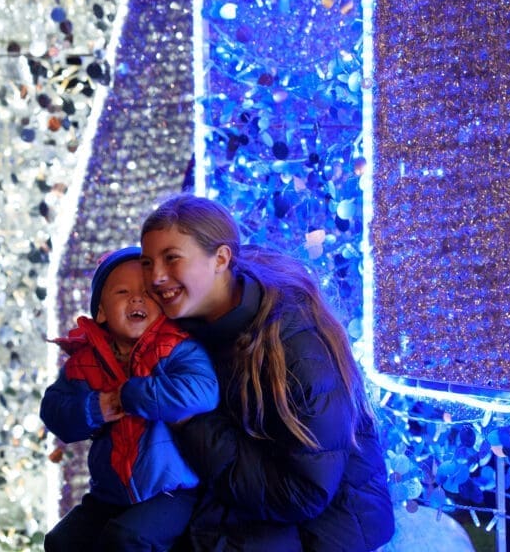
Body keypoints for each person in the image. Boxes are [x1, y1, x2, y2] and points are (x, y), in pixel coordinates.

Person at [139, 195, 395, 551]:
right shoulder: (193, 322)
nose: (155, 277)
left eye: (171, 258)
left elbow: (303, 493)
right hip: (258, 501)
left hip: (330, 524)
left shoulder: (296, 349)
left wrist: (191, 422)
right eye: (147, 262)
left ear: (222, 258)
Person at [40, 246, 219, 551]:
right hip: (109, 494)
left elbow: (203, 391)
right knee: (61, 541)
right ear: (101, 312)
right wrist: (96, 407)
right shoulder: (86, 362)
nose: (137, 298)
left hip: (173, 490)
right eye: (122, 292)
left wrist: (134, 393)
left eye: (148, 292)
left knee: (127, 538)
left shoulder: (178, 348)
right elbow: (55, 410)